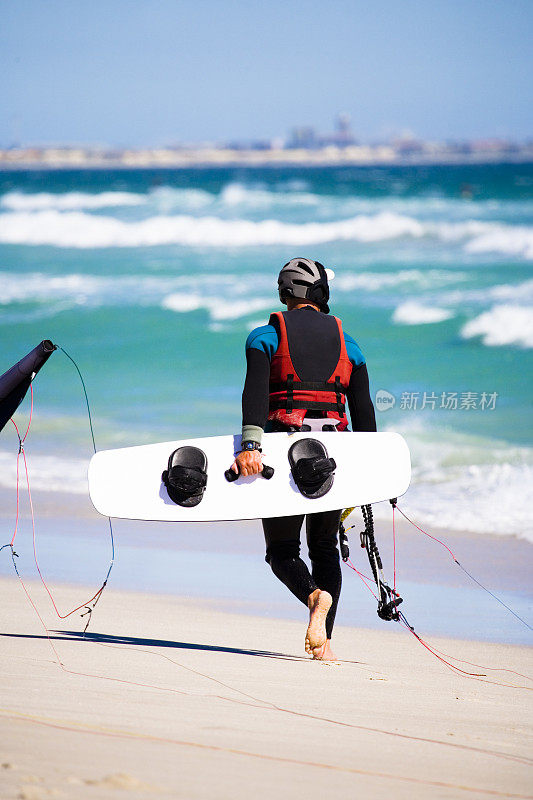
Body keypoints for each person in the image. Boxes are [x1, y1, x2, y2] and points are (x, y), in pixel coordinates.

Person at [231, 258, 376, 660]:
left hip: (282, 455)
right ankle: (323, 645)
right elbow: (363, 413)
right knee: (325, 547)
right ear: (319, 292)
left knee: (282, 552)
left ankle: (314, 598)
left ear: (284, 293)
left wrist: (250, 447)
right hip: (333, 456)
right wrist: (371, 469)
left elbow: (256, 395)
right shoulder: (352, 345)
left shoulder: (264, 336)